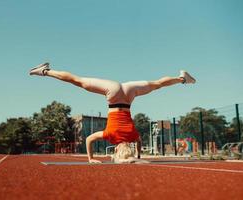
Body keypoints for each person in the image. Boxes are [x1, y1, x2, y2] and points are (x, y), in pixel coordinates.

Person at [29, 62, 196, 163]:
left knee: (157, 84)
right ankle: (45, 71)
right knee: (77, 81)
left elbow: (139, 141)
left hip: (128, 93)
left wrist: (137, 155)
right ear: (116, 150)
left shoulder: (132, 135)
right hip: (114, 96)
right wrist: (90, 158)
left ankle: (182, 79)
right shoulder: (110, 135)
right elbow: (89, 139)